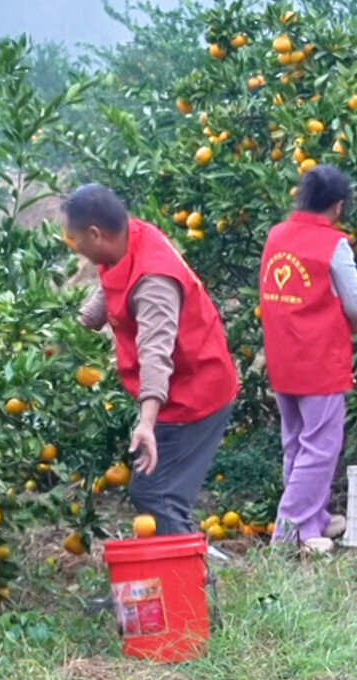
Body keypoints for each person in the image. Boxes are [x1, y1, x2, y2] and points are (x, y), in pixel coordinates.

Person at [69, 183, 240, 535]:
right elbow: (112, 284)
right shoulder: (129, 238)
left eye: (75, 239)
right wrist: (73, 329)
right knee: (159, 494)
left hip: (195, 393)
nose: (75, 247)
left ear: (96, 234)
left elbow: (155, 353)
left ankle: (186, 567)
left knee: (157, 495)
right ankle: (184, 557)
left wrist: (146, 423)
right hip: (181, 388)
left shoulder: (154, 281)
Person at [259, 166, 357, 554]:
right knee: (321, 446)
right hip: (319, 359)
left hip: (282, 356)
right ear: (338, 206)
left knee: (296, 444)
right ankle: (288, 532)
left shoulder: (276, 236)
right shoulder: (333, 245)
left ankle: (312, 522)